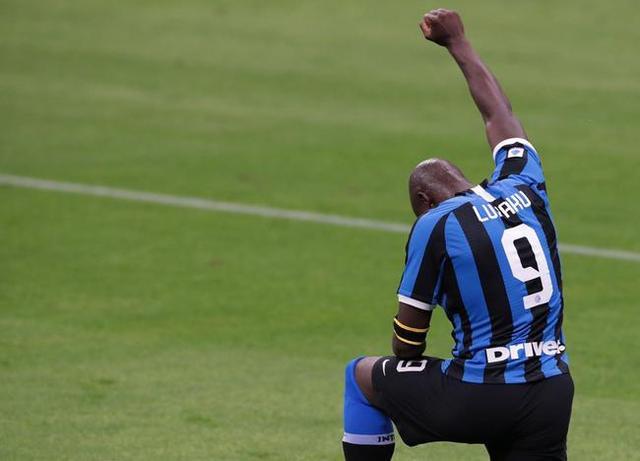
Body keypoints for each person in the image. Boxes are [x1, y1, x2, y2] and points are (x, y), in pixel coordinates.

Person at [342, 9, 573, 461]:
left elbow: (408, 342)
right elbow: (499, 113)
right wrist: (458, 42)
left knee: (361, 377)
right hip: (551, 391)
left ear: (424, 201)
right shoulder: (524, 184)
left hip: (479, 394)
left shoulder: (437, 223)